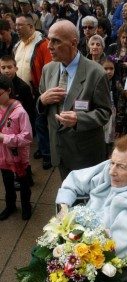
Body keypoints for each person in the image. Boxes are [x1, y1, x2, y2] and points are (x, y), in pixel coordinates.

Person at [56, 134, 127, 258]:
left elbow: (114, 248)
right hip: (79, 231)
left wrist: (74, 241)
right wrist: (64, 205)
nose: (111, 171)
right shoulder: (112, 167)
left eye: (121, 167)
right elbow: (75, 179)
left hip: (95, 250)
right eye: (112, 162)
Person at [37, 20, 111, 180]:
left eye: (56, 41)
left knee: (87, 200)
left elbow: (105, 113)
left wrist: (79, 119)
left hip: (85, 155)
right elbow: (42, 101)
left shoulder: (96, 73)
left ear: (73, 43)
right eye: (49, 39)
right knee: (67, 194)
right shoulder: (48, 69)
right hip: (59, 151)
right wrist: (42, 100)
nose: (49, 46)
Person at [14, 14, 52, 170]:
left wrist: (43, 91)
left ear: (31, 26)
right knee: (30, 122)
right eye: (16, 25)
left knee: (40, 123)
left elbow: (49, 70)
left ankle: (48, 155)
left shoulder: (43, 44)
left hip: (37, 91)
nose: (16, 28)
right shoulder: (18, 45)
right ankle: (41, 149)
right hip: (21, 93)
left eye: (20, 25)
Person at [0, 74, 32, 221]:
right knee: (7, 182)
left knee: (24, 183)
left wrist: (4, 138)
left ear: (8, 90)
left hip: (18, 156)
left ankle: (26, 207)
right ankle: (10, 205)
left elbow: (27, 137)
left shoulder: (20, 112)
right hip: (3, 155)